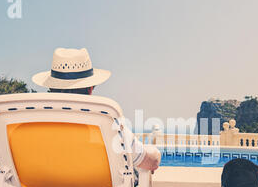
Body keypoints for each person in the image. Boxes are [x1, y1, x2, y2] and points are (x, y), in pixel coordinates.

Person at [32, 47, 161, 172]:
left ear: (51, 88)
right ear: (90, 89)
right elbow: (150, 161)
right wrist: (154, 152)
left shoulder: (32, 123)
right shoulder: (107, 122)